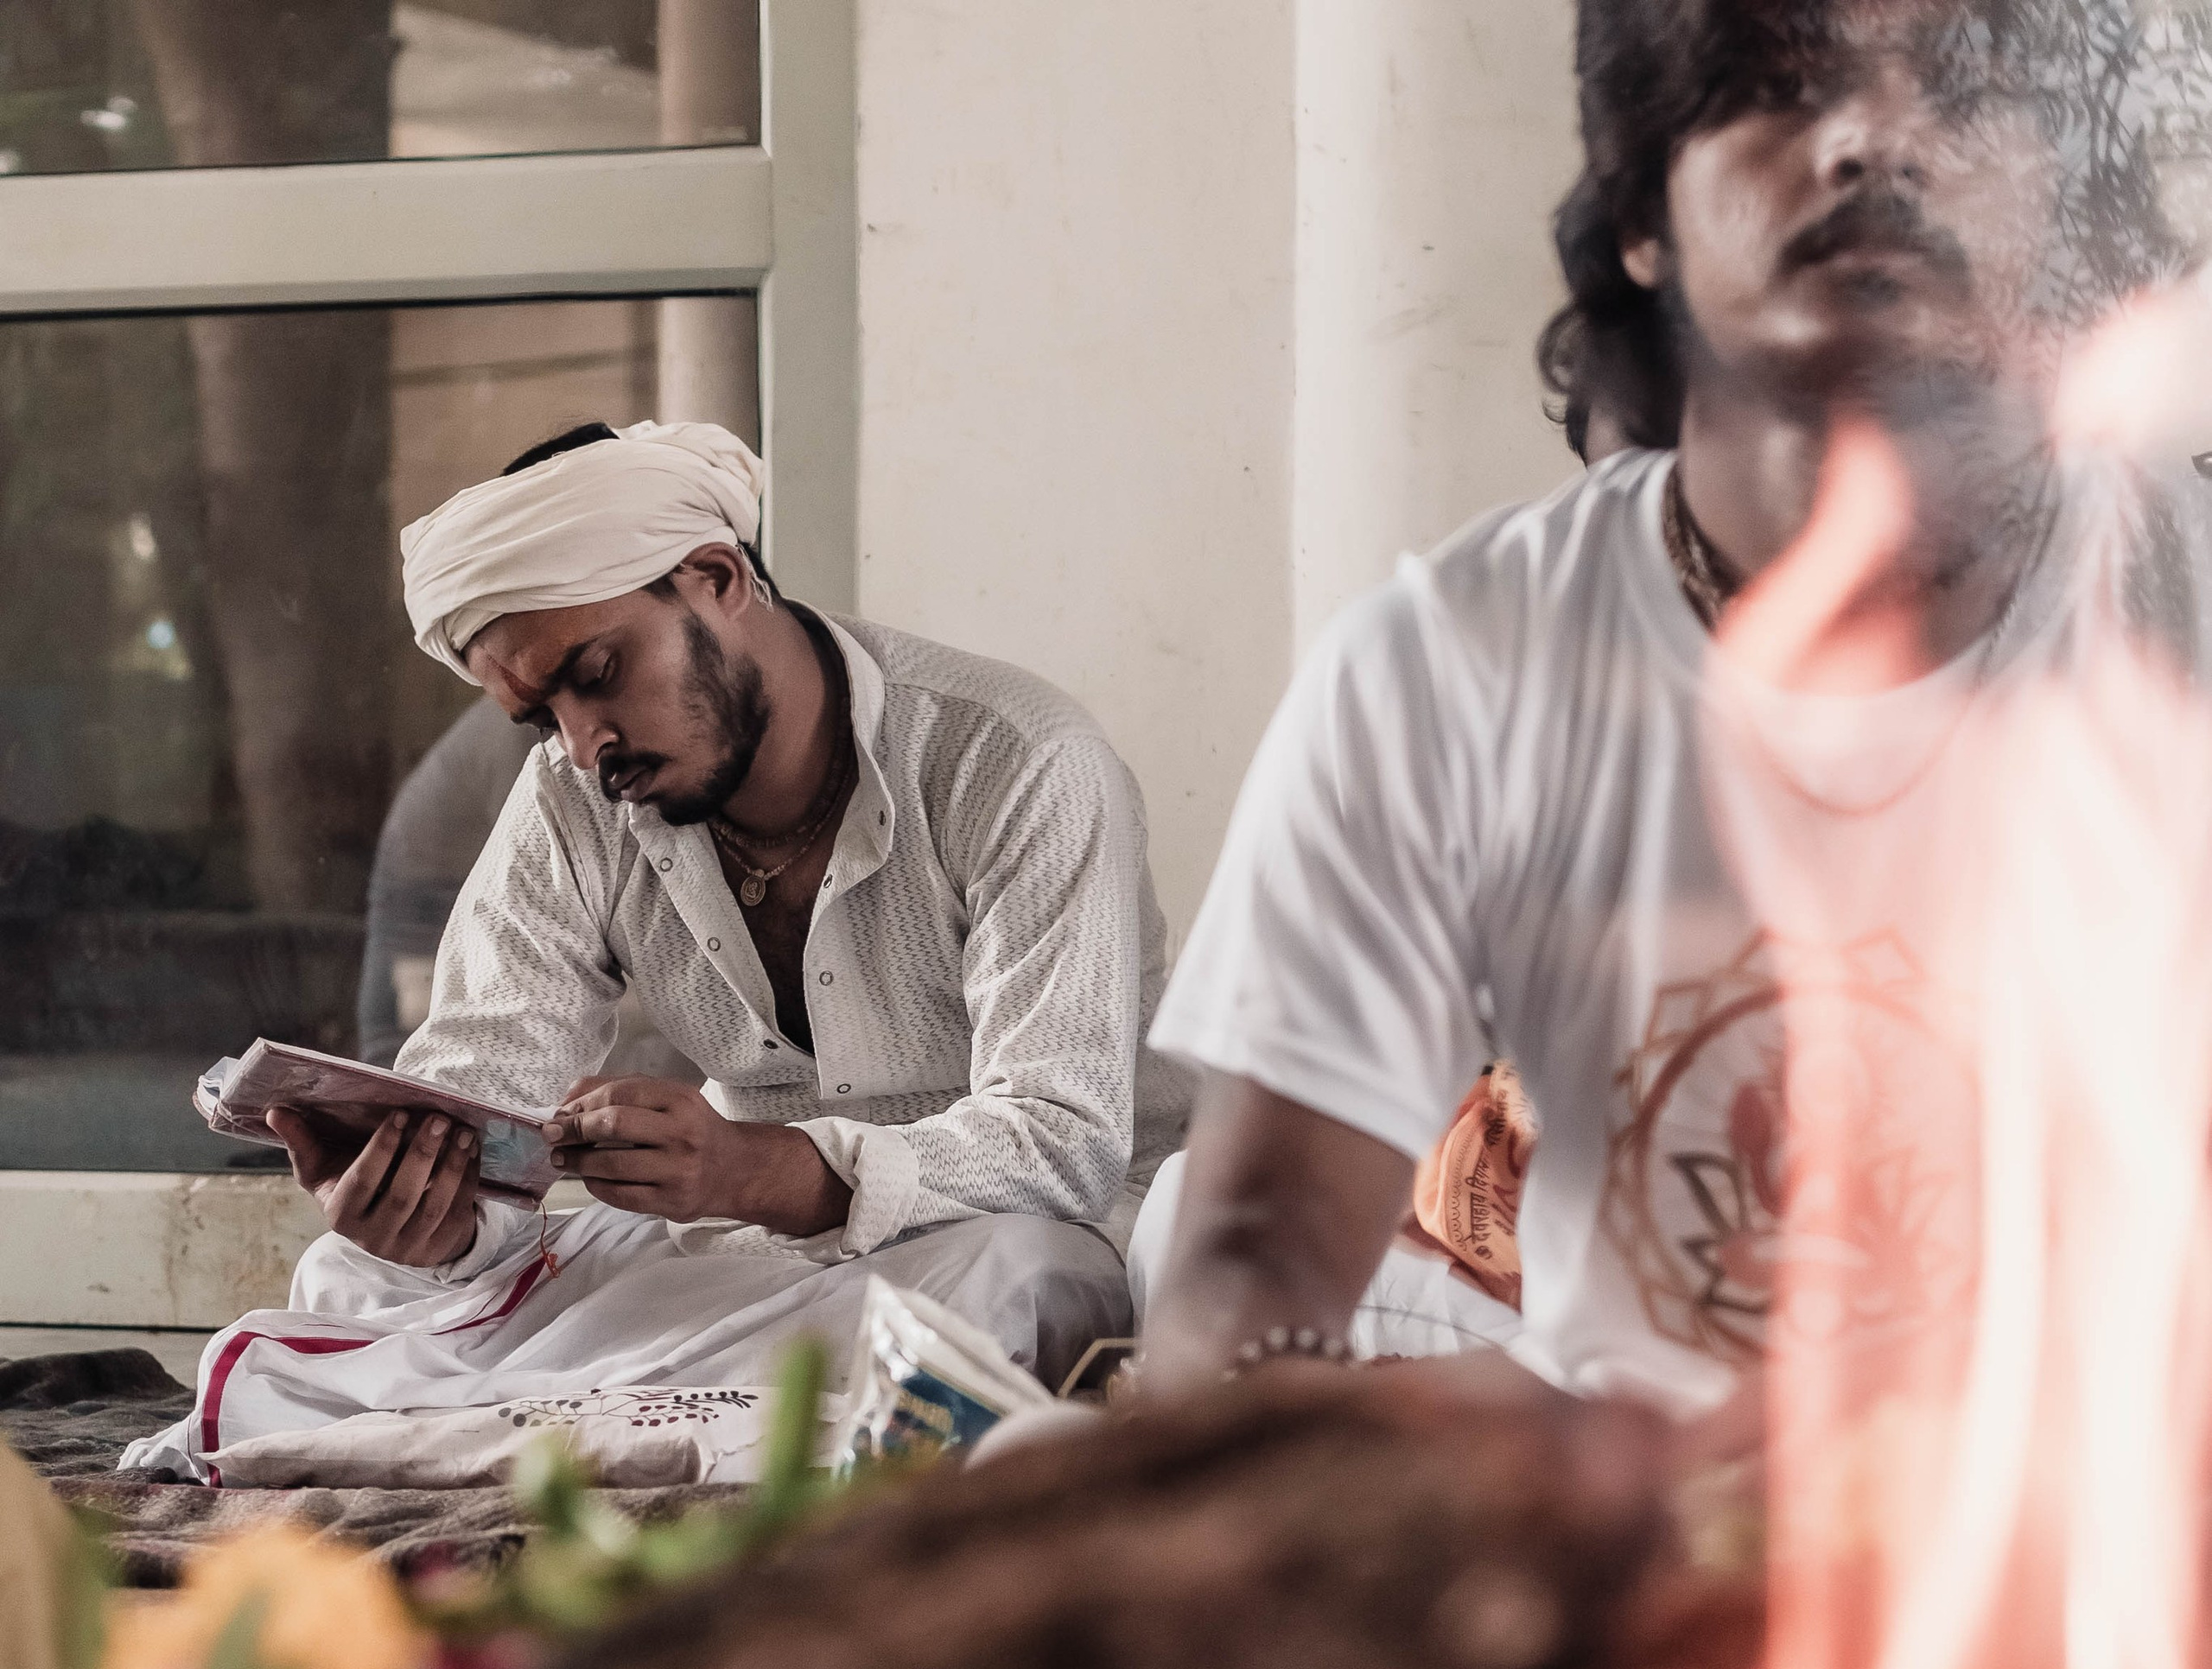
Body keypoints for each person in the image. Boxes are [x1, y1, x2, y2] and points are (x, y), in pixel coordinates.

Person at [1135, 0, 2204, 1408]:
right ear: (1641, 207)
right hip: (1645, 1561)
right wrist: (1304, 1439)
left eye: (1964, 87)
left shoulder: (2174, 610)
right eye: (1781, 80)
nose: (1874, 137)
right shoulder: (1449, 669)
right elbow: (1249, 1265)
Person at [132, 418, 1182, 1484]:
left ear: (716, 577)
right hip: (744, 1249)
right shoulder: (575, 797)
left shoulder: (1017, 762)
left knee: (1009, 1285)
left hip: (1001, 1235)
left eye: (596, 672)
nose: (585, 747)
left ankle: (523, 1425)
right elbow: (483, 1074)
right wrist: (434, 1218)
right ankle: (618, 1428)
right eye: (539, 718)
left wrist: (760, 1170)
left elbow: (1061, 1145)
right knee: (357, 1281)